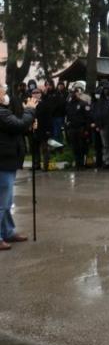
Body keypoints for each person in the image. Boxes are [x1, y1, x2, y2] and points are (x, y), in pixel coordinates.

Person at [0, 86, 37, 250]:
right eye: (2, 92)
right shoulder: (1, 113)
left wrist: (27, 124)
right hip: (3, 161)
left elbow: (15, 129)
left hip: (7, 161)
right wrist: (29, 110)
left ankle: (8, 231)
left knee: (6, 201)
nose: (5, 95)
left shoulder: (4, 112)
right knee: (2, 202)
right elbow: (18, 125)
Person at [65, 86, 91, 169]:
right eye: (71, 93)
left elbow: (88, 118)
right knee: (75, 147)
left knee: (82, 147)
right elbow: (67, 116)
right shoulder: (69, 104)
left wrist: (87, 129)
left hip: (81, 128)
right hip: (72, 128)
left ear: (77, 93)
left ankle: (82, 164)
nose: (73, 94)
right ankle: (77, 163)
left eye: (74, 92)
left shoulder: (83, 103)